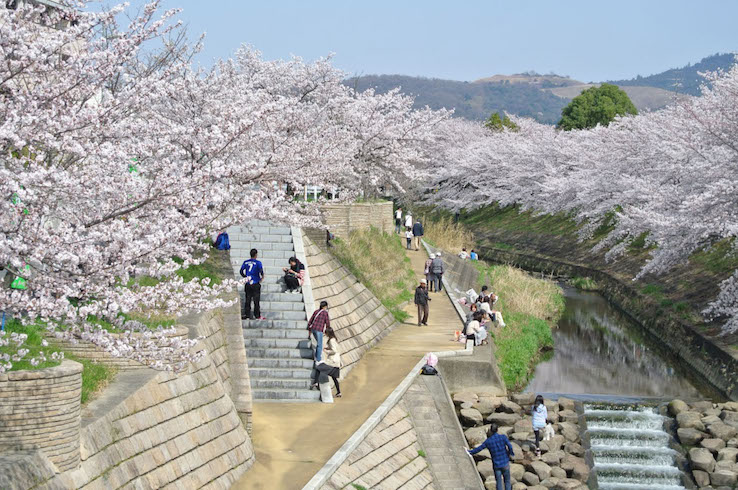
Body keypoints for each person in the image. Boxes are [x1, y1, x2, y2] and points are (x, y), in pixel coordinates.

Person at [468, 423, 515, 490]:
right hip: (505, 463)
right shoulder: (503, 437)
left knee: (499, 482)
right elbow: (510, 446)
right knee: (507, 481)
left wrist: (470, 452)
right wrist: (511, 453)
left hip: (496, 465)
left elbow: (480, 448)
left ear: (491, 430)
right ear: (497, 430)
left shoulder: (488, 441)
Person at [311, 326, 342, 397]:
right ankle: (339, 392)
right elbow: (335, 348)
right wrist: (328, 348)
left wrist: (327, 351)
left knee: (319, 368)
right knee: (334, 377)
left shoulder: (331, 340)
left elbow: (334, 350)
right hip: (336, 361)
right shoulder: (334, 339)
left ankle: (316, 382)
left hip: (332, 361)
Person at [240, 248, 265, 320]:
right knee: (256, 300)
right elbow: (261, 271)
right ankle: (257, 315)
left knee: (248, 299)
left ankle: (247, 315)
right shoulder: (258, 263)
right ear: (256, 255)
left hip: (248, 283)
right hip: (255, 283)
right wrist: (262, 278)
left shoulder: (246, 262)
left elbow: (241, 271)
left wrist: (245, 277)